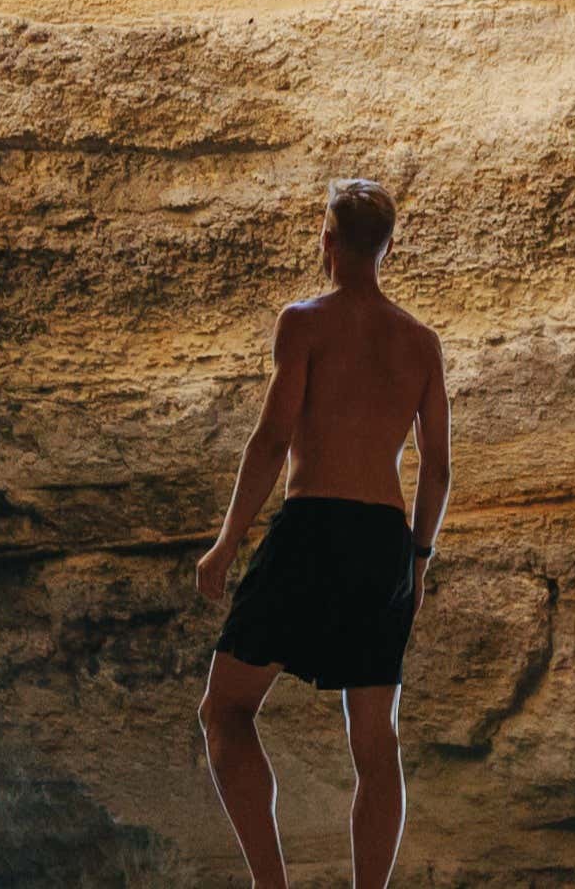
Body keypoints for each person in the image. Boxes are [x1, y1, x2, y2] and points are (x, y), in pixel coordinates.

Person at [192, 177, 453, 889]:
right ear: (388, 247)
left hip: (311, 530)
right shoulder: (422, 345)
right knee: (375, 743)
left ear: (327, 241)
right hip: (381, 542)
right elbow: (436, 472)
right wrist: (418, 564)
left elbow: (272, 439)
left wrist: (226, 542)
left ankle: (271, 886)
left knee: (225, 710)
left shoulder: (303, 322)